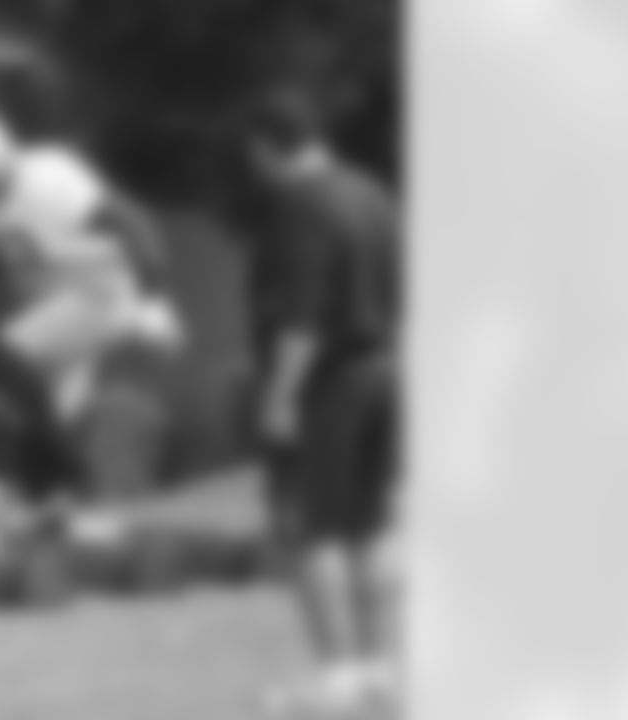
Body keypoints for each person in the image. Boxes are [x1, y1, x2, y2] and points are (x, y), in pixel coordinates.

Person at [0, 103, 185, 537]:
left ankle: (78, 479)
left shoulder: (50, 177)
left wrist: (154, 300)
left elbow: (135, 227)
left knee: (3, 356)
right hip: (56, 307)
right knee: (41, 421)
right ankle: (62, 512)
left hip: (101, 292)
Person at [242, 88, 402, 716]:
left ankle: (337, 676)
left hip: (328, 385)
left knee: (314, 531)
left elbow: (302, 321)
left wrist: (280, 396)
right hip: (385, 371)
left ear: (265, 147)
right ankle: (378, 671)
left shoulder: (301, 207)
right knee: (372, 527)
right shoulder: (373, 193)